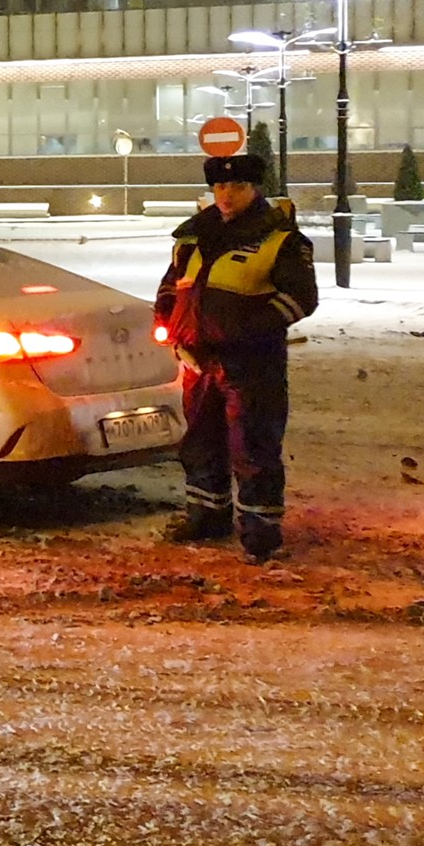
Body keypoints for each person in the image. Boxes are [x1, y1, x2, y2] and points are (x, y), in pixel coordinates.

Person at [154, 150, 317, 560]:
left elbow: (300, 298)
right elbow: (173, 287)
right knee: (201, 441)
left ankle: (260, 530)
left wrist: (245, 331)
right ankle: (207, 515)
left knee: (253, 444)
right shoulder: (194, 236)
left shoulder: (280, 239)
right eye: (220, 186)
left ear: (254, 188)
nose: (226, 195)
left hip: (252, 362)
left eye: (237, 186)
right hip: (196, 359)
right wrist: (169, 326)